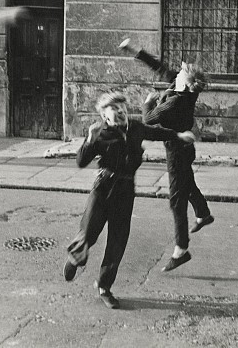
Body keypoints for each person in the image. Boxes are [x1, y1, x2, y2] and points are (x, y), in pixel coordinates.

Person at [63, 92, 195, 308]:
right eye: (115, 110)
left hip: (125, 191)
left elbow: (156, 133)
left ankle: (104, 287)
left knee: (118, 240)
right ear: (105, 117)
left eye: (123, 108)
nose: (121, 112)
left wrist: (178, 136)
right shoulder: (100, 133)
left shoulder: (135, 128)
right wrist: (89, 139)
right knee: (88, 232)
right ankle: (75, 259)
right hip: (103, 188)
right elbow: (80, 161)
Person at [119, 39, 214, 272]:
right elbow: (159, 67)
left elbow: (149, 120)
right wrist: (136, 51)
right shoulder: (179, 85)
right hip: (185, 149)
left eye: (181, 72)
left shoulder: (175, 103)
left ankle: (181, 249)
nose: (177, 71)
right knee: (187, 183)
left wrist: (147, 103)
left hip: (177, 152)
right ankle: (203, 213)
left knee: (176, 200)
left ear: (185, 83)